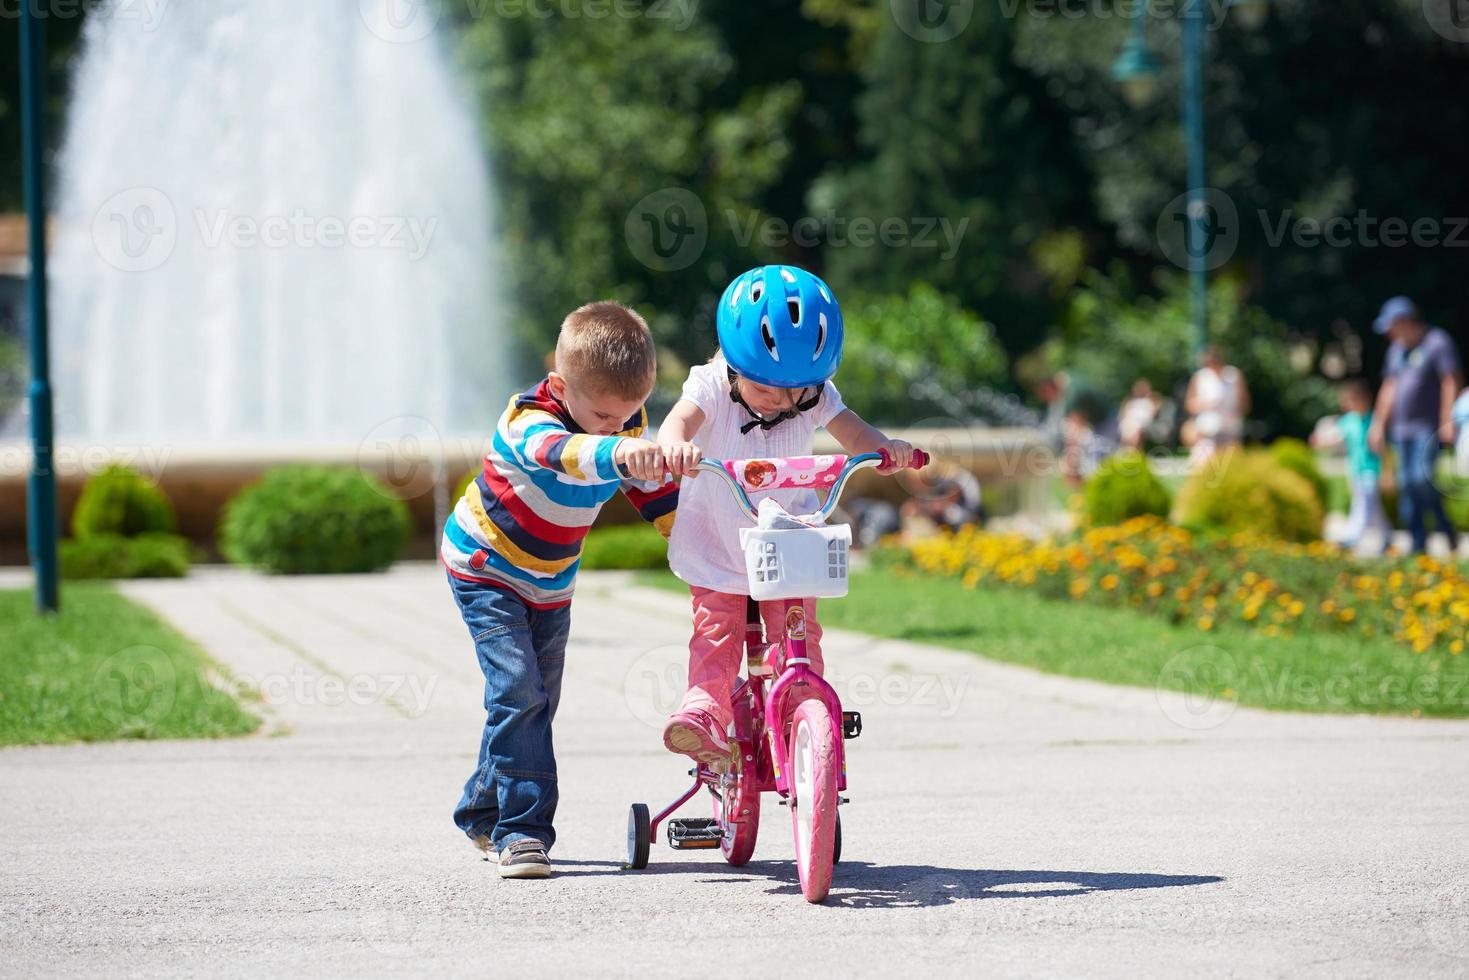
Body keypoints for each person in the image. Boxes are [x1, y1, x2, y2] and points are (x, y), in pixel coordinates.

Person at [441, 301, 677, 879]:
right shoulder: (528, 421)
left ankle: (480, 809)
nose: (614, 425)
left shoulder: (622, 427)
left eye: (630, 415)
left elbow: (648, 489)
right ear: (559, 386)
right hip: (485, 567)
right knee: (520, 693)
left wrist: (690, 543)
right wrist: (618, 450)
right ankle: (522, 834)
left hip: (551, 583)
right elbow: (568, 455)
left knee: (533, 699)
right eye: (600, 414)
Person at [655, 265, 915, 771]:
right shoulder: (710, 385)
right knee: (717, 631)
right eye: (767, 388)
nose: (783, 401)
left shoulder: (812, 395)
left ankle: (802, 706)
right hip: (718, 543)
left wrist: (885, 451)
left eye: (796, 390)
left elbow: (854, 432)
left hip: (786, 543)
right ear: (734, 363)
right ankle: (704, 713)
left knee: (797, 630)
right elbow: (679, 422)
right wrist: (674, 445)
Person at [1366, 296, 1463, 555]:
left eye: (1391, 326)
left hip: (1427, 427)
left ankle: (1439, 528)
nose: (1388, 333)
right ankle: (1420, 541)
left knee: (1421, 479)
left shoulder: (1437, 342)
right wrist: (1377, 424)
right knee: (1406, 483)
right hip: (1401, 429)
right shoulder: (1396, 350)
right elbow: (1389, 388)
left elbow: (1450, 380)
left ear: (1405, 321)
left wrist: (1447, 420)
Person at [1317, 379, 1391, 553]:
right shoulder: (1349, 421)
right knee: (1373, 508)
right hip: (1355, 471)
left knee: (1363, 504)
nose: (1347, 404)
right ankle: (1387, 536)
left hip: (1371, 470)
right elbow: (1336, 438)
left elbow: (1383, 449)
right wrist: (1321, 442)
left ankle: (1352, 537)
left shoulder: (1374, 421)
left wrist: (1387, 472)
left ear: (1364, 399)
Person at [1183, 346, 1250, 464]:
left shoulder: (1234, 375)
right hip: (1207, 431)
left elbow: (1245, 403)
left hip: (1230, 431)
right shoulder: (1200, 377)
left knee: (1230, 467)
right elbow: (1189, 405)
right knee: (1203, 466)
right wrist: (1206, 404)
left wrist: (1235, 414)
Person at [1118, 379, 1161, 451]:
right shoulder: (1130, 401)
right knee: (1127, 428)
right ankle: (1129, 450)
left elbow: (1154, 413)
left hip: (1142, 424)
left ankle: (1133, 450)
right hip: (1129, 422)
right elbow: (1123, 414)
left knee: (1136, 430)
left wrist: (1151, 396)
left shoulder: (1149, 401)